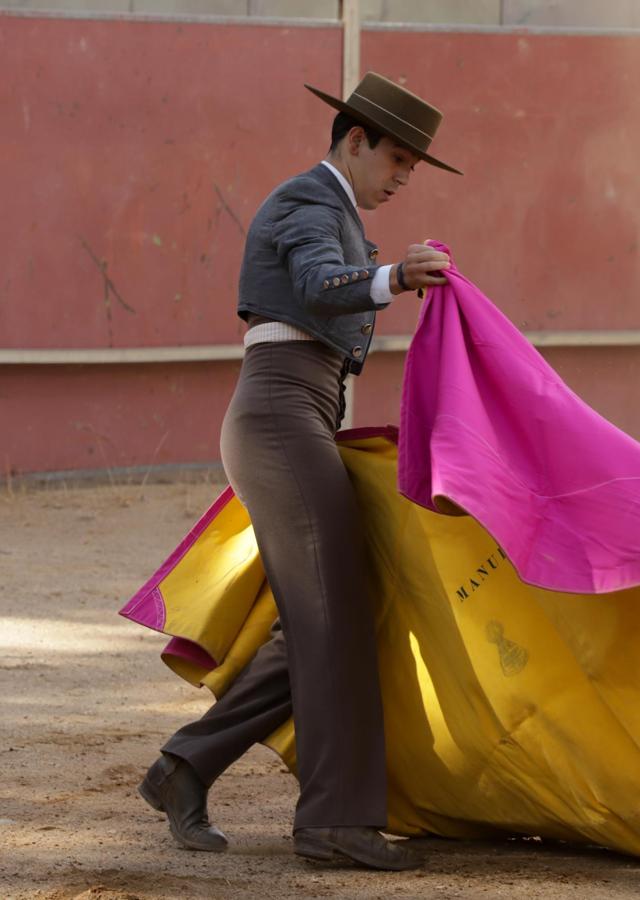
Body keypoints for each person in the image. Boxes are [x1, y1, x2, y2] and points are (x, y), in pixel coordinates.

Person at [137, 72, 458, 871]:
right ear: (356, 140)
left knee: (321, 616)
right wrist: (395, 278)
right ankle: (333, 823)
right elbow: (318, 284)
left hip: (300, 413)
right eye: (398, 158)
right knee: (333, 616)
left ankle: (185, 767)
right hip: (282, 412)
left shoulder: (337, 213)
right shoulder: (307, 201)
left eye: (414, 165)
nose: (404, 176)